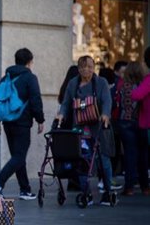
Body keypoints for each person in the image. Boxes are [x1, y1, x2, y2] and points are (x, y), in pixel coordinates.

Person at [56, 55, 116, 206]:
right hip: (80, 128)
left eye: (90, 66)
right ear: (78, 69)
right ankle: (86, 193)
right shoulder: (73, 84)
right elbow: (66, 103)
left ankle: (108, 191)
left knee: (104, 160)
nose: (86, 70)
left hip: (98, 128)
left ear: (94, 67)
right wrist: (61, 114)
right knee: (82, 160)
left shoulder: (100, 83)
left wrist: (105, 114)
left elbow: (107, 101)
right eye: (83, 67)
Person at [0, 48, 45, 200]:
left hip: (7, 122)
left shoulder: (5, 77)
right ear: (29, 62)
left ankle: (25, 189)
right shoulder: (30, 78)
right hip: (22, 122)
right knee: (19, 156)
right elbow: (35, 100)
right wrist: (40, 120)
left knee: (17, 156)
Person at [118, 61, 148, 196]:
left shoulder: (123, 86)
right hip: (140, 122)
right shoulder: (142, 86)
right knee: (143, 154)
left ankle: (129, 187)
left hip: (125, 122)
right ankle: (145, 186)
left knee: (129, 155)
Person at [131, 46, 150, 192]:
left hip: (147, 122)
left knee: (143, 154)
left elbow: (136, 95)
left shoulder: (148, 80)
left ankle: (144, 184)